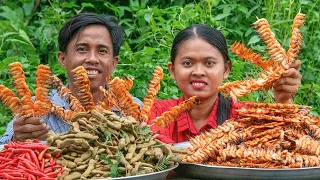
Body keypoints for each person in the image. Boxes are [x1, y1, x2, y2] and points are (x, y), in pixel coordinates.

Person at [0, 12, 142, 145]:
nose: (92, 59)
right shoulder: (35, 110)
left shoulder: (132, 109)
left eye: (102, 51)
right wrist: (16, 140)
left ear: (113, 63)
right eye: (82, 49)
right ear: (63, 59)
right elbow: (3, 149)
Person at [148, 24, 302, 144]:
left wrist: (283, 101)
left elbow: (289, 147)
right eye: (188, 63)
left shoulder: (246, 117)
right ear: (172, 70)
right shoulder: (155, 113)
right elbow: (149, 145)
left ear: (226, 69)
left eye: (209, 63)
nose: (199, 71)